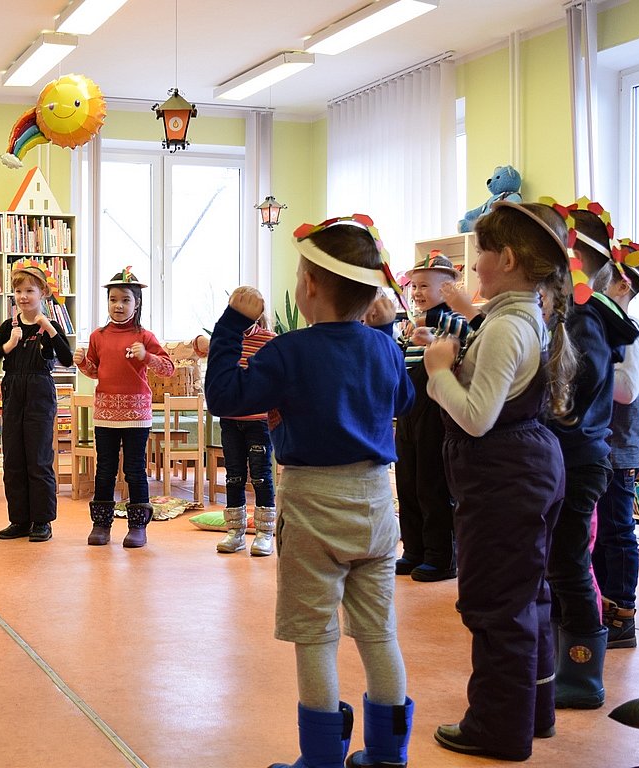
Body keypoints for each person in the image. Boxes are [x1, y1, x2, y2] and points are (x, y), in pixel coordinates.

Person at [205, 216, 415, 768]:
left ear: (312, 286)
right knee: (379, 632)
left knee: (316, 635)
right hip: (376, 501)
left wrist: (232, 324)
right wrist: (384, 335)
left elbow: (225, 396)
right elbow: (402, 401)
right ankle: (389, 755)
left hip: (312, 504)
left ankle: (321, 759)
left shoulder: (289, 351)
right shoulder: (384, 348)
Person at [424, 201, 575, 761]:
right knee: (526, 596)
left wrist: (439, 372)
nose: (472, 266)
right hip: (524, 470)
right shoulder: (520, 315)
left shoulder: (509, 325)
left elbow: (476, 417)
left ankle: (497, 728)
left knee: (496, 605)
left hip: (505, 477)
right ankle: (533, 712)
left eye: (480, 253)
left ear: (507, 259)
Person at [542, 200, 639, 710]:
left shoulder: (584, 316)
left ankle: (582, 675)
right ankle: (564, 660)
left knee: (569, 563)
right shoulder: (575, 313)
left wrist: (549, 405)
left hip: (578, 457)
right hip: (571, 455)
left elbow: (580, 385)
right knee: (559, 561)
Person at [74, 267, 174, 548]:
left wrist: (147, 356)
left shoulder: (145, 336)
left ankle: (137, 527)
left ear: (137, 303)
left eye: (125, 300)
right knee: (104, 469)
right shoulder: (98, 336)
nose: (118, 305)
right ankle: (101, 525)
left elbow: (168, 369)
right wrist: (82, 362)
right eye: (113, 299)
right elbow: (96, 371)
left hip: (137, 415)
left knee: (135, 469)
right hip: (105, 414)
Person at [0, 264, 73, 542]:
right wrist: (8, 346)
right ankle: (19, 520)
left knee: (39, 459)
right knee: (13, 459)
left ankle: (42, 521)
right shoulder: (8, 326)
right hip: (13, 391)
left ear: (42, 293)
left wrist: (50, 330)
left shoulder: (50, 326)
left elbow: (67, 359)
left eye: (30, 291)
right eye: (18, 291)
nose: (23, 296)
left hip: (39, 393)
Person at [592, 239, 639, 651]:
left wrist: (591, 367)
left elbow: (627, 391)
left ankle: (623, 613)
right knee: (598, 532)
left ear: (622, 285)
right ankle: (602, 605)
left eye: (601, 272)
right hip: (599, 450)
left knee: (617, 531)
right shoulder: (604, 330)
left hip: (617, 451)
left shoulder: (627, 335)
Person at [393, 253, 466, 582]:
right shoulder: (412, 323)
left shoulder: (455, 322)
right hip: (409, 412)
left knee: (432, 484)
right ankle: (414, 549)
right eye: (415, 286)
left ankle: (441, 555)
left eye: (425, 286)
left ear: (447, 289)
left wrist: (434, 339)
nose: (417, 292)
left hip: (437, 412)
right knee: (407, 482)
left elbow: (460, 353)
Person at [212, 314, 278, 557]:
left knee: (260, 476)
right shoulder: (226, 339)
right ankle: (235, 532)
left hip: (258, 421)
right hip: (230, 420)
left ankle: (264, 533)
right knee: (233, 476)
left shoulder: (269, 340)